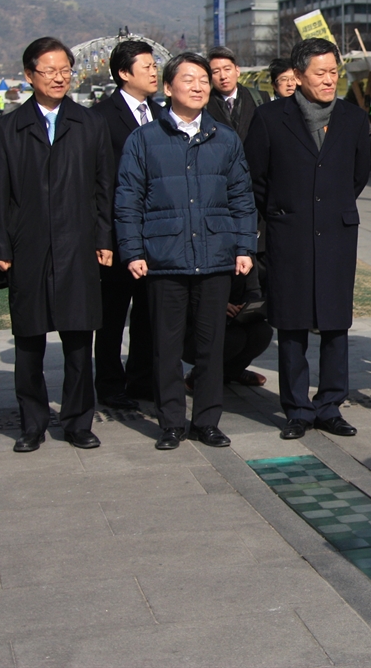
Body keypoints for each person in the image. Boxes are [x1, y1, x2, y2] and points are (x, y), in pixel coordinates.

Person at [114, 52, 256, 450]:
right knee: (167, 346)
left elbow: (242, 199)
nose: (197, 87)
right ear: (168, 87)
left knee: (211, 346)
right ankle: (172, 421)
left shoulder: (224, 139)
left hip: (215, 257)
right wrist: (133, 251)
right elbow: (128, 201)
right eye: (188, 79)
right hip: (164, 260)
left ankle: (207, 420)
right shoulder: (144, 139)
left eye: (203, 81)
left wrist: (244, 246)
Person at [0, 37, 115, 452]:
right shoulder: (8, 128)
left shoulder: (90, 123)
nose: (59, 77)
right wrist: (1, 246)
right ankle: (32, 423)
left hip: (78, 244)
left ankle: (78, 421)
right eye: (49, 70)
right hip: (29, 246)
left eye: (65, 70)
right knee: (29, 342)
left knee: (80, 340)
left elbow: (103, 188)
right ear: (29, 76)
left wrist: (103, 237)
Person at [245, 37, 371, 439]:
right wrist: (288, 209)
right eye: (320, 73)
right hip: (290, 232)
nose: (330, 80)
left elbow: (358, 174)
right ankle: (297, 408)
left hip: (336, 231)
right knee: (293, 324)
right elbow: (256, 178)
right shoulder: (269, 118)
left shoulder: (351, 118)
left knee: (335, 324)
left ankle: (331, 404)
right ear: (298, 76)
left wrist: (328, 206)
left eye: (334, 72)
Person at [90, 39, 162, 409]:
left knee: (149, 312)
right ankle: (108, 383)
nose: (154, 72)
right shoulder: (101, 116)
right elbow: (99, 182)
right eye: (146, 66)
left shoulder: (161, 112)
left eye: (154, 66)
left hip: (156, 233)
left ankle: (142, 378)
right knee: (112, 314)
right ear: (123, 73)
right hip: (118, 232)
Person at [206, 46, 261, 140]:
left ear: (237, 71)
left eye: (227, 69)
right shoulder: (204, 105)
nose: (223, 76)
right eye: (216, 71)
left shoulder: (259, 98)